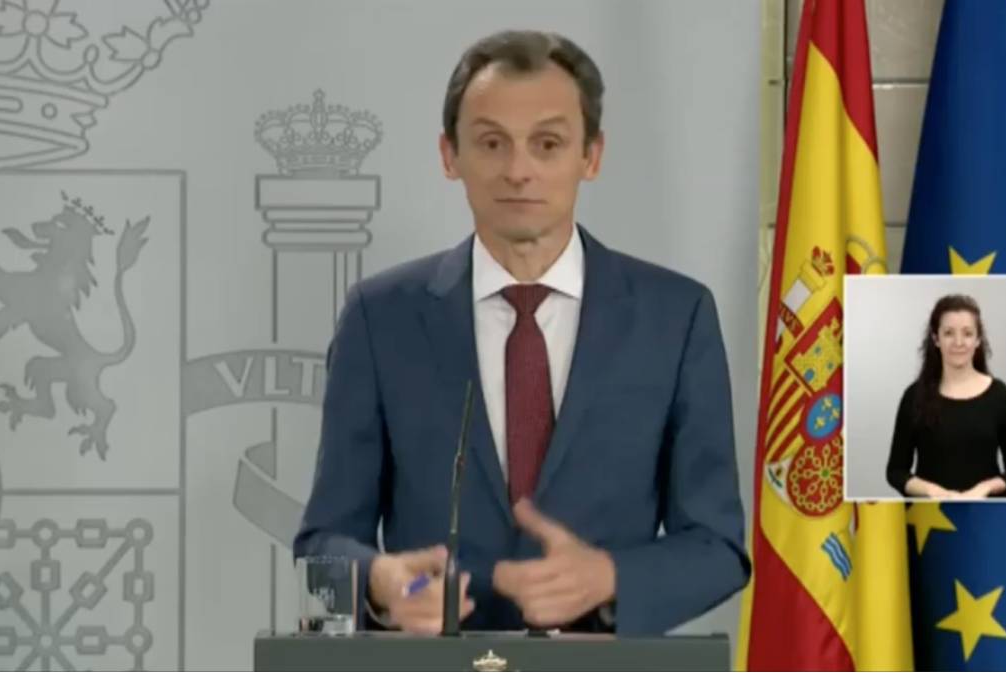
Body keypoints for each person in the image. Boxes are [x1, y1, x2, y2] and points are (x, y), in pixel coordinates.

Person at [294, 29, 749, 636]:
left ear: (591, 156)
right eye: (491, 143)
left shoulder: (675, 317)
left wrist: (611, 577)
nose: (518, 171)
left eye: (547, 144)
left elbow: (718, 548)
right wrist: (379, 584)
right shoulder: (380, 319)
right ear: (449, 156)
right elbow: (321, 548)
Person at [885, 294, 1006, 499]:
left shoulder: (1000, 396)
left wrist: (984, 489)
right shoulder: (914, 396)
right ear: (936, 339)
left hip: (986, 513)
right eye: (949, 333)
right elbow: (896, 471)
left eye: (968, 333)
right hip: (929, 514)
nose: (959, 342)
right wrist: (933, 491)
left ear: (978, 340)